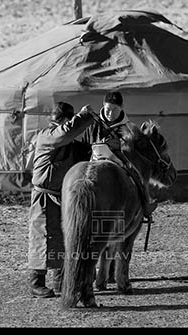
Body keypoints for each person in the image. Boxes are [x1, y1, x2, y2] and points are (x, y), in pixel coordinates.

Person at [28, 101, 94, 298]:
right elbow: (65, 133)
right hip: (43, 195)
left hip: (61, 195)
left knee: (64, 237)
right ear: (66, 119)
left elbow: (83, 150)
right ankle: (35, 283)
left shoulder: (67, 142)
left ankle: (60, 281)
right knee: (43, 236)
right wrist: (84, 116)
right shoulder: (48, 135)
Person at [81, 91, 157, 218]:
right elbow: (84, 144)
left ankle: (145, 203)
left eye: (115, 109)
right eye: (108, 109)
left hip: (118, 162)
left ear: (121, 108)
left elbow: (131, 150)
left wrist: (118, 144)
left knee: (137, 175)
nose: (110, 113)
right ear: (103, 106)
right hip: (93, 161)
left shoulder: (128, 127)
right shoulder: (94, 124)